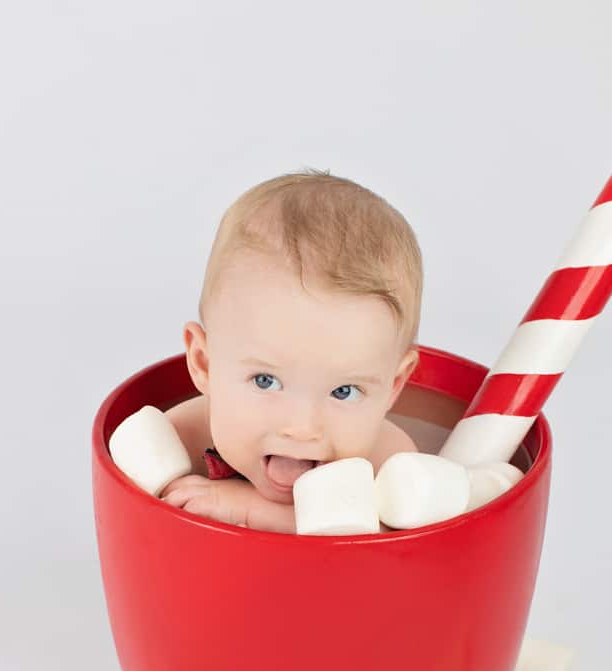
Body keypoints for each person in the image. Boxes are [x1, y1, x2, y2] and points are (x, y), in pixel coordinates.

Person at [163, 169, 422, 533]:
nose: (302, 427)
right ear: (204, 364)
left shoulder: (391, 466)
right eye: (265, 380)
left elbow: (385, 544)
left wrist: (249, 510)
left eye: (343, 391)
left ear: (394, 385)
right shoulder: (182, 435)